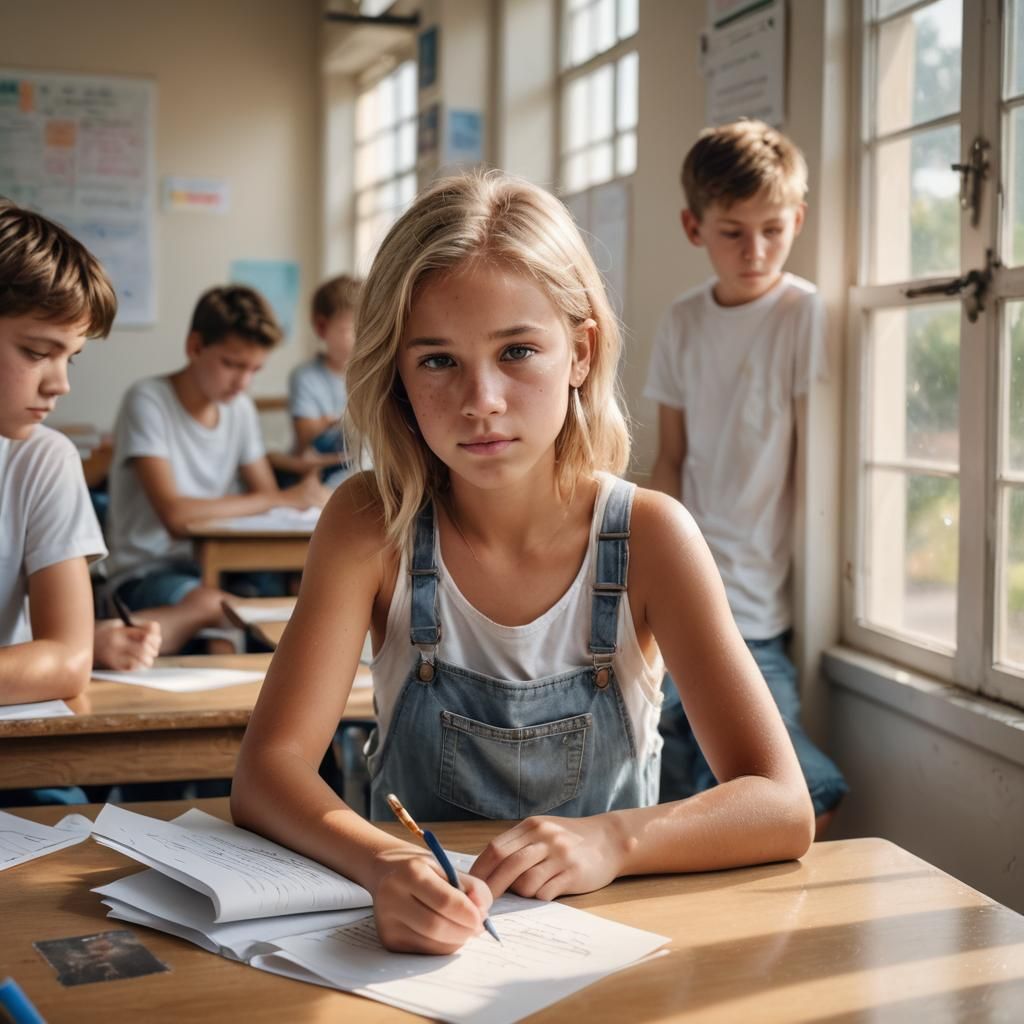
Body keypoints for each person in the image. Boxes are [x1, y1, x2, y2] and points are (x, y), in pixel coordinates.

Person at [232, 171, 815, 956]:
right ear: (396, 374)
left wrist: (615, 842)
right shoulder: (369, 522)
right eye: (437, 361)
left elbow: (781, 804)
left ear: (580, 351)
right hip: (412, 957)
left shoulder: (650, 536)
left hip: (602, 955)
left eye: (517, 352)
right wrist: (384, 865)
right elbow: (267, 771)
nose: (483, 400)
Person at [644, 120, 848, 833]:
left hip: (758, 605)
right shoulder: (682, 322)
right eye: (732, 232)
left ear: (798, 219)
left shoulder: (802, 312)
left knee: (784, 787)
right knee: (666, 776)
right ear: (693, 227)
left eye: (772, 229)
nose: (754, 250)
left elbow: (810, 462)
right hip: (684, 585)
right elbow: (669, 458)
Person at [0, 198, 162, 712]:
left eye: (70, 357)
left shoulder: (42, 459)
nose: (61, 384)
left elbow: (68, 660)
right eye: (36, 352)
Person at [103, 285, 329, 641]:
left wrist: (277, 499)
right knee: (222, 612)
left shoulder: (239, 409)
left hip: (217, 567)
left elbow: (266, 494)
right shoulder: (147, 400)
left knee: (274, 604)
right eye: (232, 364)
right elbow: (176, 517)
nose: (243, 382)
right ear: (195, 347)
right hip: (145, 571)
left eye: (254, 369)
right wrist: (283, 498)